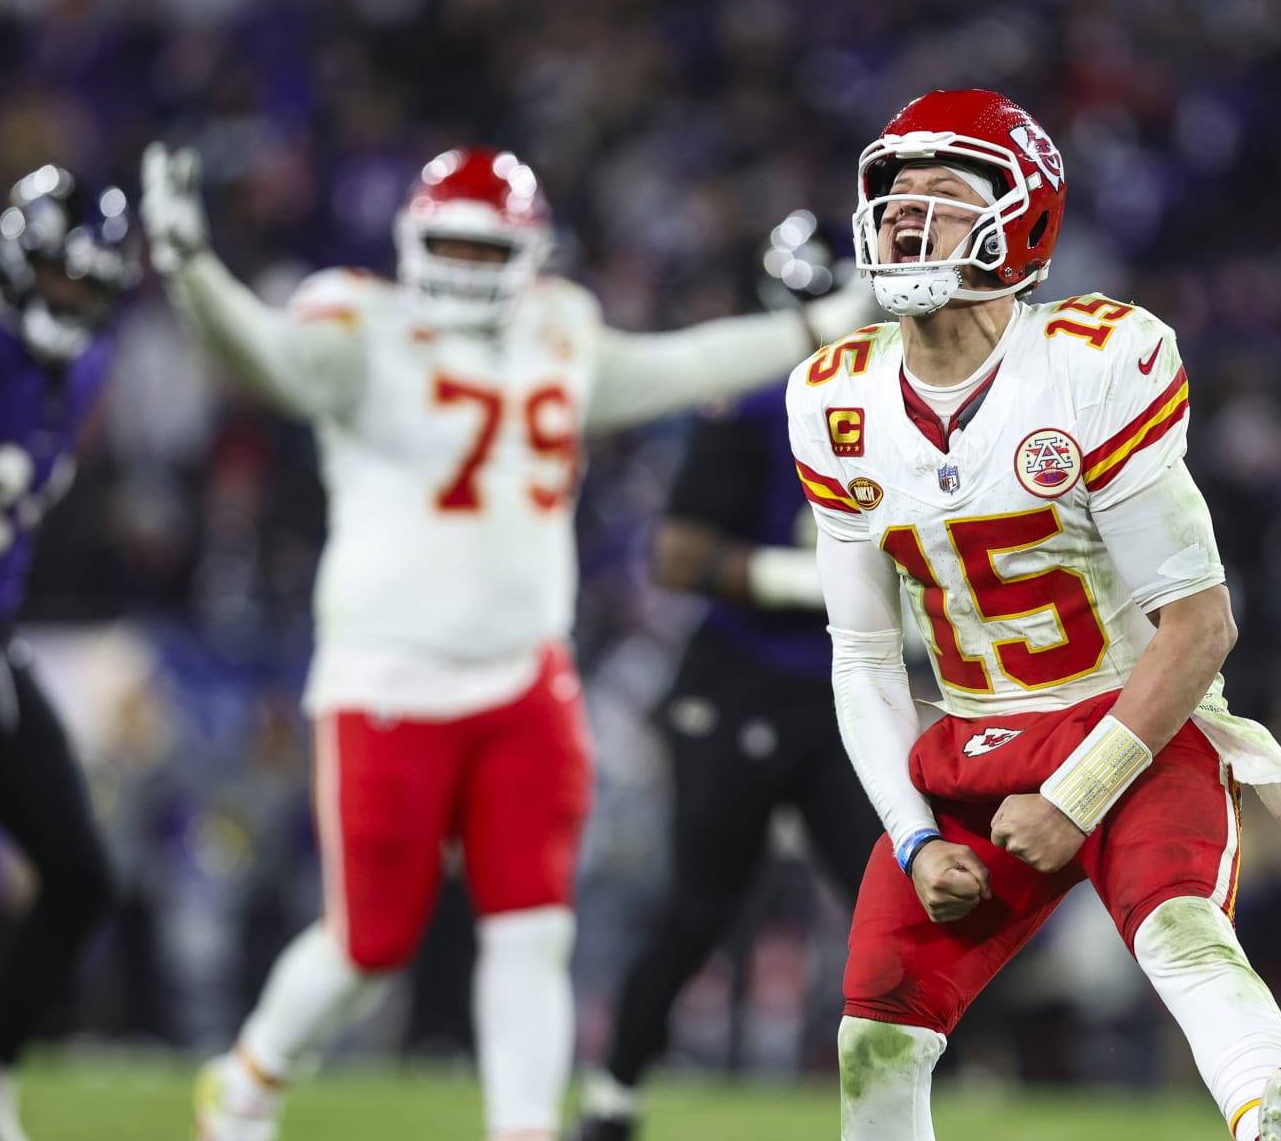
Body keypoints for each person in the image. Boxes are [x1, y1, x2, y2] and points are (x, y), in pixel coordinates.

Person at [140, 143, 872, 1141]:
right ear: (411, 240)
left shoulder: (559, 329)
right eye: (450, 246)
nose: (469, 269)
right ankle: (249, 1078)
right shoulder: (359, 320)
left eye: (488, 251)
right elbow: (260, 358)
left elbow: (678, 364)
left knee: (534, 930)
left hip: (527, 677)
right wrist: (193, 275)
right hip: (388, 674)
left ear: (528, 252)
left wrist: (822, 323)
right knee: (371, 942)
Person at [785, 89, 1281, 1141]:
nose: (909, 217)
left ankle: (1275, 1110)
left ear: (1020, 218)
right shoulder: (834, 396)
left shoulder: (1090, 361)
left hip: (1134, 719)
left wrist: (1078, 797)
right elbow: (860, 654)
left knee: (1182, 929)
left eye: (945, 196)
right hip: (976, 736)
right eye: (896, 196)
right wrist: (910, 839)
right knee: (878, 1029)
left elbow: (1200, 626)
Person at [574, 370, 881, 1137]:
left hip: (851, 689)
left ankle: (901, 1104)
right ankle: (613, 1096)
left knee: (896, 910)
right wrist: (835, 581)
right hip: (744, 682)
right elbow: (676, 556)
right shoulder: (755, 404)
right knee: (699, 909)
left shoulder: (931, 402)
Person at [0, 165, 137, 1141]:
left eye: (91, 286)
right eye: (60, 279)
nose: (73, 301)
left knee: (79, 875)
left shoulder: (86, 369)